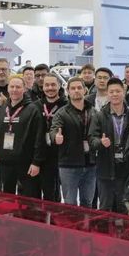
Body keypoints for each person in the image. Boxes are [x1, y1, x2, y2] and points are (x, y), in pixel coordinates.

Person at [89, 77, 129, 212]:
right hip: (106, 168)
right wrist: (100, 142)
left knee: (124, 208)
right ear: (107, 94)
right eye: (111, 92)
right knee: (105, 207)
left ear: (123, 92)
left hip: (126, 169)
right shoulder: (100, 116)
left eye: (118, 91)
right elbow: (92, 139)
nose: (115, 94)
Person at [0, 75, 46, 196]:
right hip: (6, 161)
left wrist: (36, 162)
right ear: (8, 89)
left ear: (24, 89)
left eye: (18, 87)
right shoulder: (2, 110)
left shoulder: (33, 110)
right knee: (7, 197)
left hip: (26, 162)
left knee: (30, 198)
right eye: (12, 87)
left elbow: (39, 137)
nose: (14, 90)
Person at [50, 77, 97, 206]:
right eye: (73, 88)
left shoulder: (93, 111)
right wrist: (55, 137)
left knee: (87, 202)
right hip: (69, 164)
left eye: (79, 88)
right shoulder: (61, 113)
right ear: (68, 91)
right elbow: (54, 130)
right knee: (70, 203)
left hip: (90, 164)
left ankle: (86, 221)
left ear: (85, 90)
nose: (76, 90)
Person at [33, 73, 68, 202]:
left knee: (54, 193)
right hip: (40, 154)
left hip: (61, 155)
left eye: (53, 84)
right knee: (37, 192)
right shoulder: (35, 106)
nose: (50, 88)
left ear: (59, 86)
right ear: (42, 87)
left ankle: (54, 215)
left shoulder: (67, 105)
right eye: (46, 85)